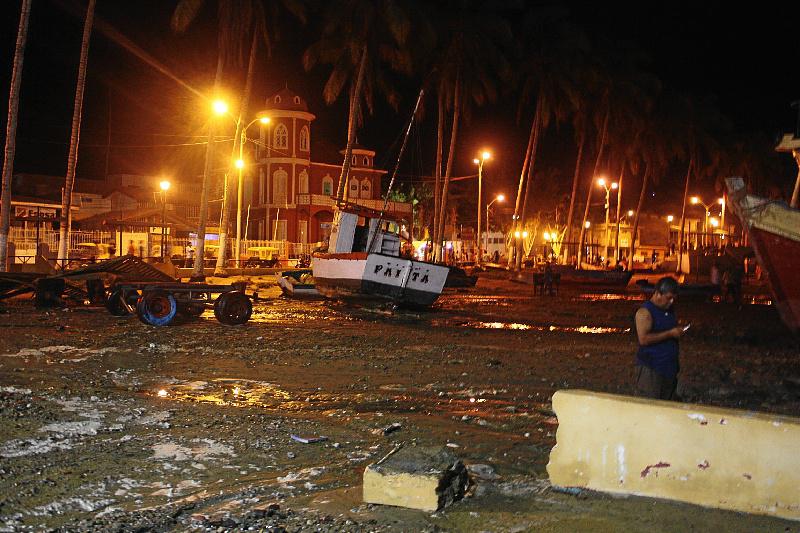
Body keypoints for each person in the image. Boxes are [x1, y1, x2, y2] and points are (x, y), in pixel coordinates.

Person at [634, 276, 685, 400]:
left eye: (673, 299)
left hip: (669, 368)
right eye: (668, 298)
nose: (671, 302)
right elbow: (643, 339)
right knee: (650, 404)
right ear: (657, 294)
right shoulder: (645, 313)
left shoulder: (669, 310)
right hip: (651, 368)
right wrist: (670, 334)